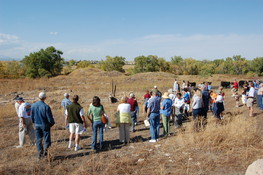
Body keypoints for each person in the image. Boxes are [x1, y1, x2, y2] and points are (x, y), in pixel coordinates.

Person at [31, 92, 55, 159]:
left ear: (39, 97)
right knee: (46, 140)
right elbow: (49, 118)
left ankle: (39, 154)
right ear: (45, 98)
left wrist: (34, 123)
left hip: (37, 124)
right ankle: (45, 154)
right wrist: (51, 124)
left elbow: (31, 117)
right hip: (44, 125)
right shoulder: (46, 107)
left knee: (38, 139)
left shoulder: (33, 106)